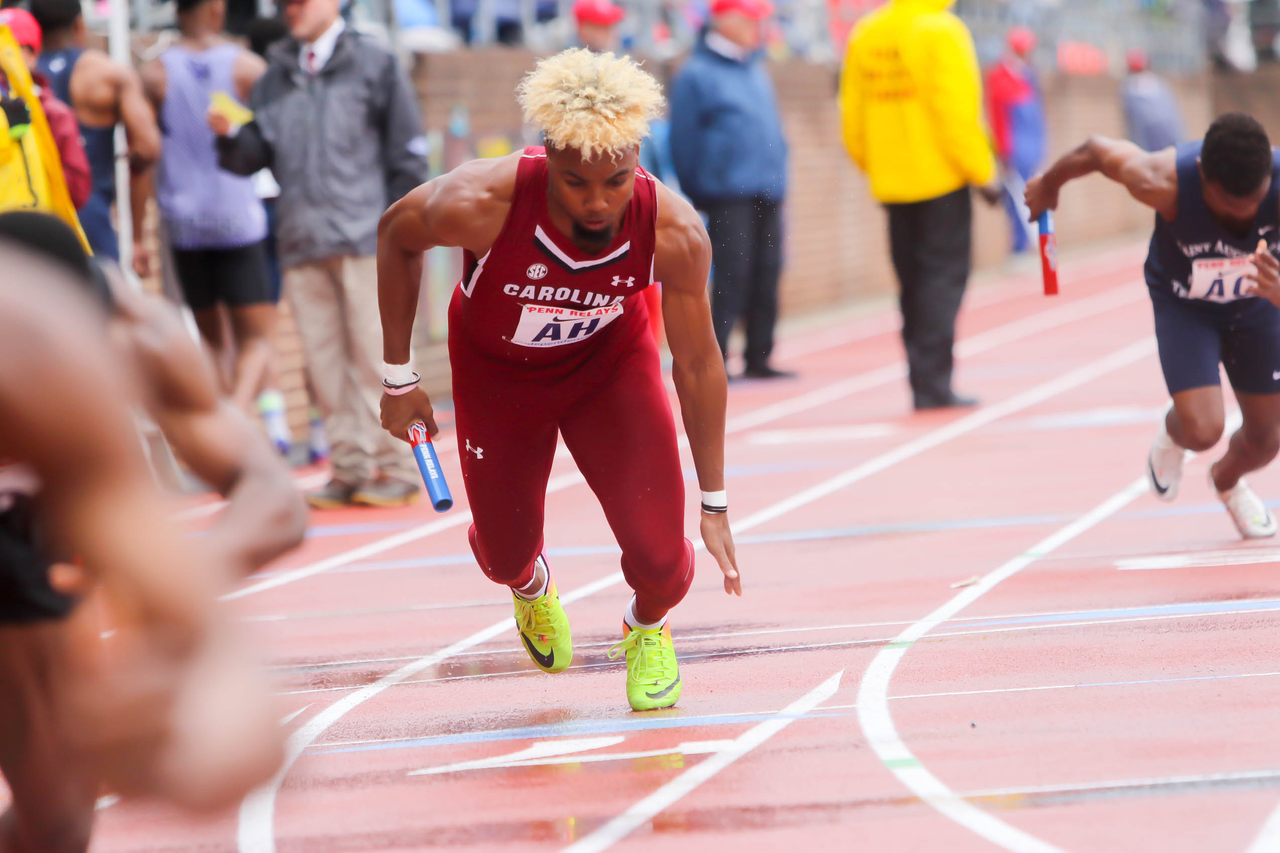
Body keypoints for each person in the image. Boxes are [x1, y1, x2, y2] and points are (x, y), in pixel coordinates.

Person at [377, 49, 740, 711]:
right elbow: (396, 235)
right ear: (546, 157)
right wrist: (399, 378)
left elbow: (696, 362)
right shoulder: (481, 200)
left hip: (608, 368)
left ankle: (648, 629)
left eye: (617, 181)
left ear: (638, 163)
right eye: (575, 182)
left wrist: (714, 502)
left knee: (664, 562)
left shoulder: (674, 230)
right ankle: (530, 583)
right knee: (501, 554)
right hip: (497, 376)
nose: (597, 203)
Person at [0, 211, 307, 852]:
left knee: (58, 823)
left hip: (21, 526)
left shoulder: (83, 343)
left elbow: (273, 498)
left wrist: (200, 668)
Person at [211, 0, 429, 508]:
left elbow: (406, 153)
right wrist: (229, 137)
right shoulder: (275, 75)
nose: (290, 10)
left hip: (365, 239)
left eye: (300, 2)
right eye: (284, 4)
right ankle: (349, 465)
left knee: (381, 358)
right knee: (324, 365)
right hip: (302, 239)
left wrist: (402, 235)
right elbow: (255, 156)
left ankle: (397, 464)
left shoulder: (375, 61)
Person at [1026, 114, 1280, 539]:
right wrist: (1049, 185)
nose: (1244, 217)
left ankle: (1227, 483)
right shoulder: (1161, 180)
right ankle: (1173, 431)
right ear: (1202, 175)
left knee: (1267, 440)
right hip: (1186, 306)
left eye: (1254, 202)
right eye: (1229, 206)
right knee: (1203, 430)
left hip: (1259, 306)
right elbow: (1094, 149)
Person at [838, 0, 998, 410]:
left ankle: (923, 379)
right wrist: (983, 173)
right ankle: (933, 385)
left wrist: (874, 164)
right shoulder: (942, 31)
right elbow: (955, 112)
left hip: (891, 183)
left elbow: (851, 114)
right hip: (940, 180)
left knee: (911, 284)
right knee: (941, 283)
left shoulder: (866, 33)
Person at [140, 0, 279, 423]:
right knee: (257, 340)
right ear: (217, 9)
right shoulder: (249, 68)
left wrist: (136, 228)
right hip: (238, 218)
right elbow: (275, 139)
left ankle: (227, 423)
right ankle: (238, 418)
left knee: (213, 342)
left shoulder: (153, 74)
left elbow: (143, 154)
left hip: (184, 224)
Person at [669, 0, 792, 380]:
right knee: (731, 274)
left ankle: (760, 355)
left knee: (767, 272)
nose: (758, 28)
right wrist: (700, 189)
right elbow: (683, 140)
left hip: (767, 189)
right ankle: (718, 355)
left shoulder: (755, 69)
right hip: (726, 193)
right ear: (724, 21)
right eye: (750, 19)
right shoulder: (697, 74)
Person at [30, 0, 161, 272]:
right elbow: (148, 149)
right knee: (101, 307)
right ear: (80, 24)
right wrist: (136, 237)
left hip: (34, 212)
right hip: (90, 213)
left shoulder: (18, 74)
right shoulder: (106, 73)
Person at [0, 7, 90, 210]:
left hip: (37, 226)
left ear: (32, 55)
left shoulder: (53, 113)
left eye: (9, 48)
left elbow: (77, 189)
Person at [985, 25, 1046, 254]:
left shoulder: (1029, 75)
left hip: (1031, 145)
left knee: (1035, 194)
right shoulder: (1000, 76)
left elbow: (1037, 114)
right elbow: (999, 117)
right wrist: (1004, 150)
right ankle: (1020, 246)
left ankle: (1036, 243)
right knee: (1015, 198)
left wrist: (1041, 145)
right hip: (1014, 147)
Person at [1122, 48, 1184, 154]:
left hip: (1153, 141)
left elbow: (1134, 124)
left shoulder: (1130, 90)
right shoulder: (1160, 84)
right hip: (1166, 140)